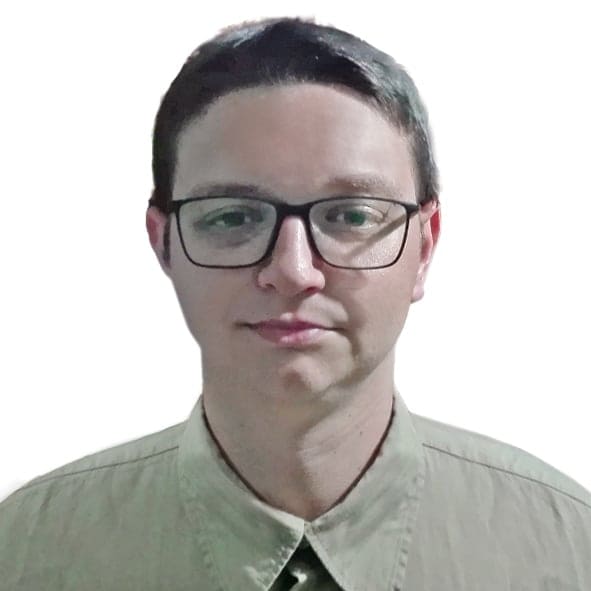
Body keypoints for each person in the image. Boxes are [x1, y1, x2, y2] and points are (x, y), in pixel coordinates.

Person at [0, 15, 589, 591]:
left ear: (424, 246)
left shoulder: (566, 550)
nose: (292, 271)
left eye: (351, 216)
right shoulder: (25, 552)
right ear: (164, 243)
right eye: (232, 217)